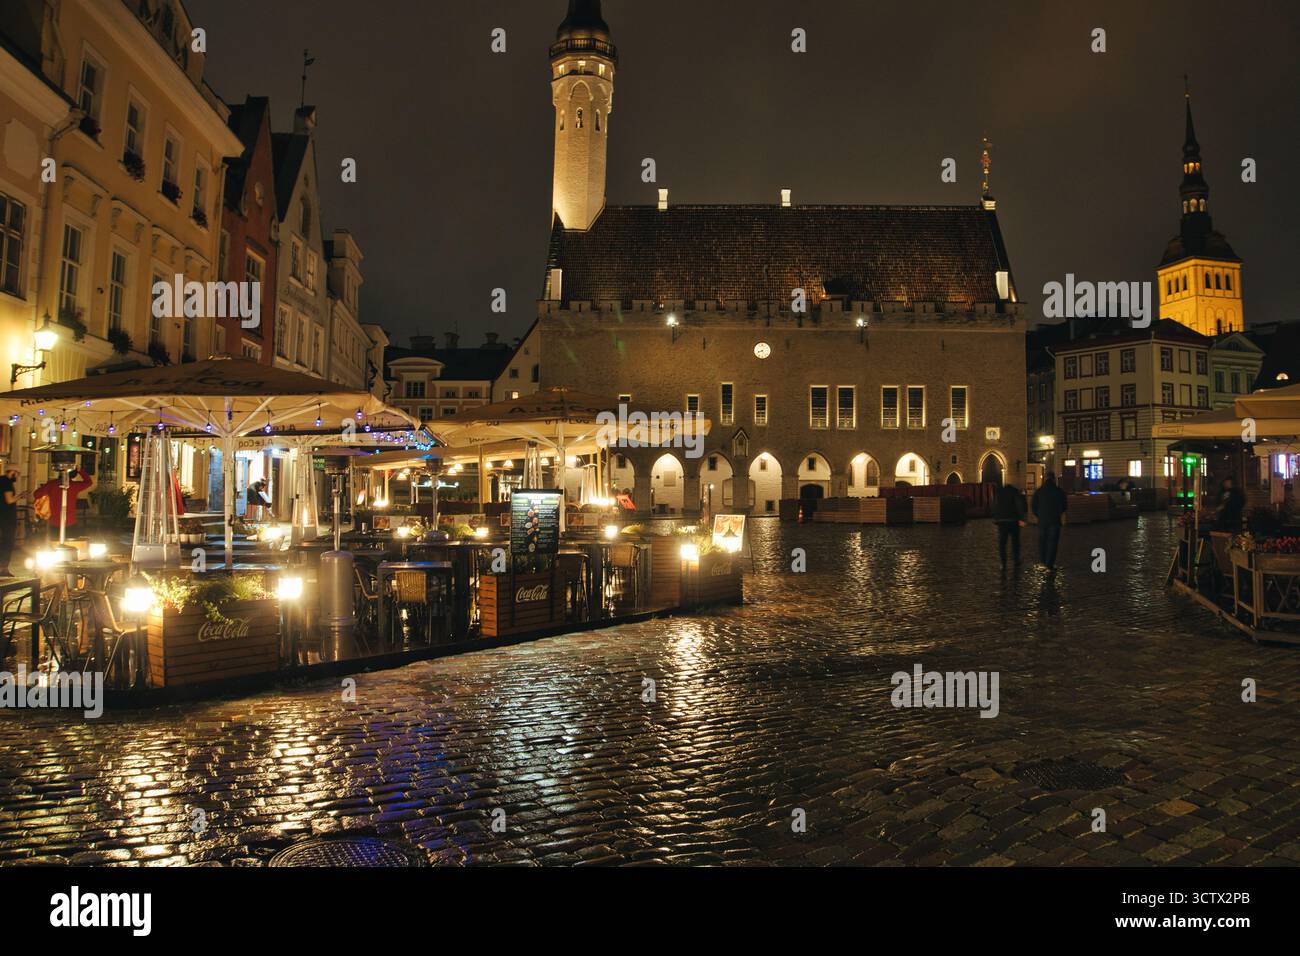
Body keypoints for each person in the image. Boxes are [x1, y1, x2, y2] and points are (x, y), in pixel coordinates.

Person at [32, 467, 95, 541]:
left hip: (54, 521)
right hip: (70, 521)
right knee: (71, 543)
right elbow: (88, 482)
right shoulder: (74, 486)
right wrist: (80, 470)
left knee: (54, 544)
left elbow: (36, 494)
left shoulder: (52, 484)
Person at [1031, 471, 1068, 573]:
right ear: (1053, 479)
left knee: (1042, 542)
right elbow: (1064, 505)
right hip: (1055, 521)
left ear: (1045, 478)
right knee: (1053, 542)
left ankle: (1043, 562)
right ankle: (1049, 564)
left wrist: (1039, 515)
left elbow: (1033, 506)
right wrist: (1058, 513)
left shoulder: (1039, 491)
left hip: (1042, 521)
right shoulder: (1059, 491)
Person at [992, 481, 1027, 568]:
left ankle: (1003, 562)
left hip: (1002, 521)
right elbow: (1019, 505)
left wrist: (996, 517)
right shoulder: (1015, 492)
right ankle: (1016, 560)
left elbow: (995, 505)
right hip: (1013, 520)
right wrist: (1022, 518)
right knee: (1015, 542)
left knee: (1002, 543)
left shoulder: (999, 493)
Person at [0, 467, 17, 576]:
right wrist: (20, 496)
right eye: (17, 473)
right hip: (7, 518)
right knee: (8, 542)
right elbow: (9, 499)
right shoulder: (7, 482)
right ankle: (3, 569)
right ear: (12, 472)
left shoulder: (1, 480)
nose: (18, 476)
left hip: (2, 516)